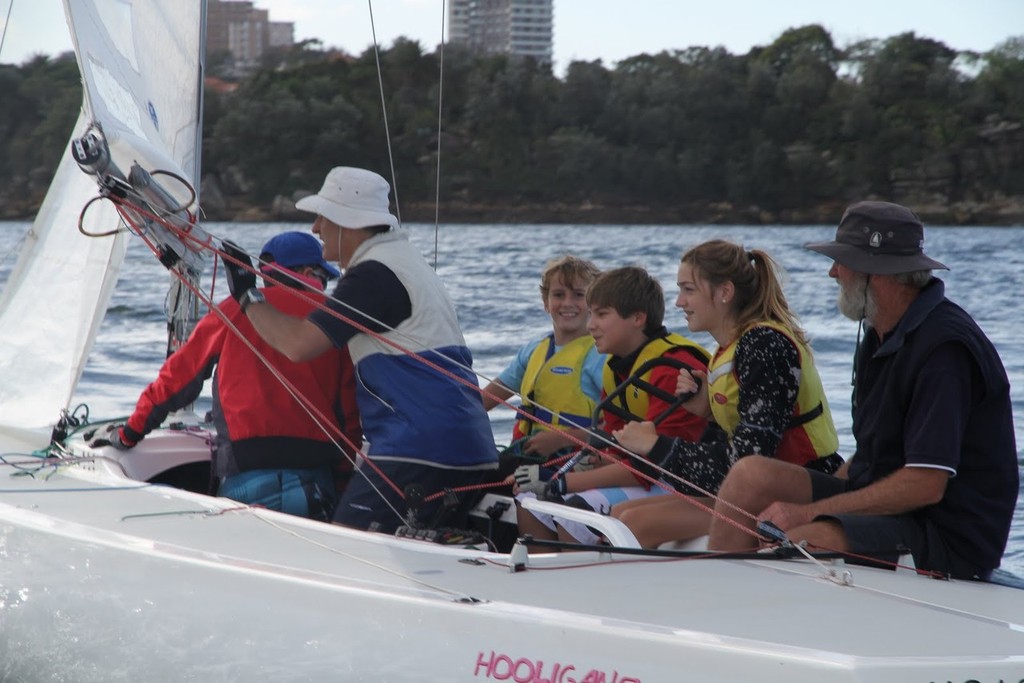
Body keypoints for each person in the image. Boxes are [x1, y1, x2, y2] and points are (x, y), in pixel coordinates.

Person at [705, 201, 1018, 581]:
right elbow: (877, 450)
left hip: (944, 534)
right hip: (890, 506)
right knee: (750, 475)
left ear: (878, 274)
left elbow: (926, 484)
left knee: (804, 540)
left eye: (843, 262)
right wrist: (826, 493)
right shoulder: (879, 332)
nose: (832, 271)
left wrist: (811, 512)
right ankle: (719, 593)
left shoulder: (944, 350)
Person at [236, 166, 498, 534]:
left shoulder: (372, 275)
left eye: (322, 218)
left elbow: (298, 346)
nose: (315, 228)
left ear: (347, 222)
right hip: (471, 449)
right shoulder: (407, 263)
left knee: (348, 549)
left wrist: (247, 297)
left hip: (419, 451)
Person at [91, 231, 362, 521]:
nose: (325, 286)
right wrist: (343, 480)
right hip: (316, 481)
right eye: (326, 278)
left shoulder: (234, 310)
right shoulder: (335, 322)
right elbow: (350, 413)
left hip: (247, 477)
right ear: (309, 272)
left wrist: (129, 433)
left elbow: (177, 380)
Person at [611, 240, 842, 548]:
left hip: (802, 484)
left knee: (635, 523)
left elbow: (750, 463)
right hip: (760, 485)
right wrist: (706, 411)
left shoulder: (764, 346)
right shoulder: (733, 347)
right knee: (620, 514)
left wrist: (657, 446)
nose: (679, 302)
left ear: (724, 292)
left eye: (688, 289)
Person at [514, 265, 710, 547]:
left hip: (678, 482)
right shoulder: (616, 368)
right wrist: (590, 462)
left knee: (575, 510)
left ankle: (581, 583)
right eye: (591, 314)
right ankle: (543, 579)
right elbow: (616, 445)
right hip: (644, 475)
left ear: (638, 319)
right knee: (530, 500)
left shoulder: (672, 371)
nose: (591, 324)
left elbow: (654, 466)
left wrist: (561, 482)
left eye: (602, 314)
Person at [481, 255, 605, 461]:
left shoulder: (601, 356)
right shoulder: (532, 352)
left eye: (578, 295)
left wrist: (562, 439)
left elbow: (620, 428)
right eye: (558, 294)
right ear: (546, 303)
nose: (567, 303)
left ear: (595, 303)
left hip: (577, 463)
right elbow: (481, 403)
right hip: (525, 460)